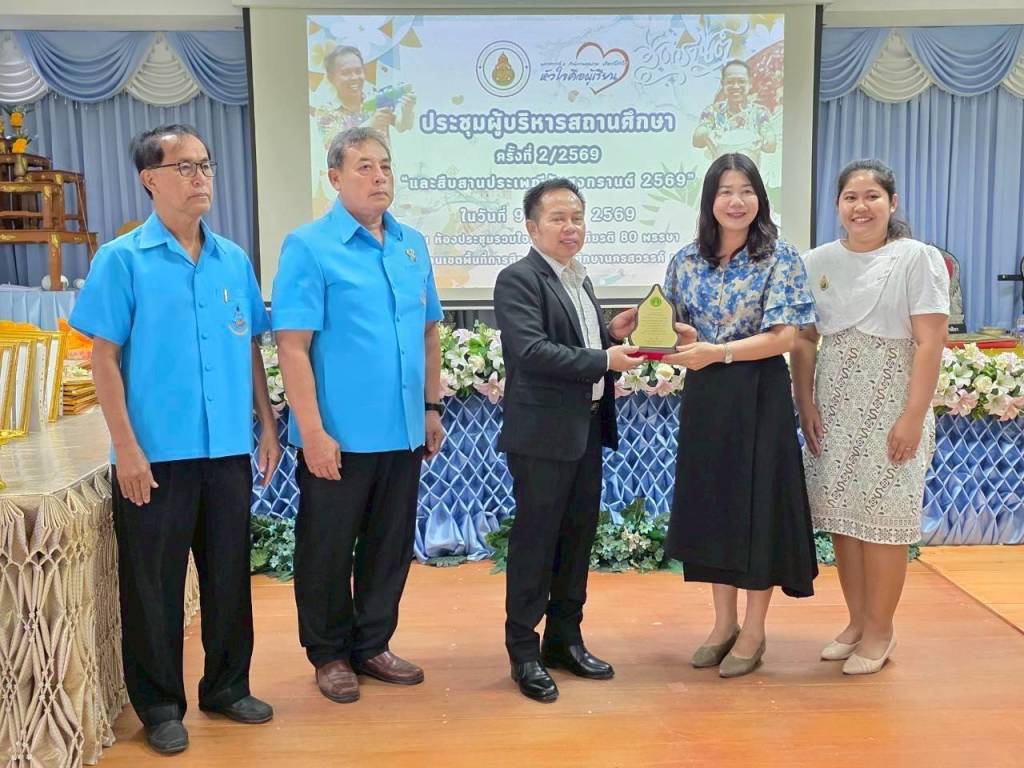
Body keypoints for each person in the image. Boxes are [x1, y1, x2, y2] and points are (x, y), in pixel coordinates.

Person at [69, 124, 280, 754]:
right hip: (155, 455)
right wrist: (127, 449)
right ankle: (160, 705)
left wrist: (267, 424)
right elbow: (103, 359)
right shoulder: (122, 259)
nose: (200, 177)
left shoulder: (232, 259)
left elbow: (248, 347)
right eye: (185, 166)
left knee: (228, 577)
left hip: (226, 450)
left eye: (205, 165)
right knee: (153, 585)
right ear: (150, 179)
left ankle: (227, 687)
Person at [273, 126, 444, 704]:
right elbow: (293, 345)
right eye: (364, 167)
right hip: (338, 436)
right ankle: (328, 654)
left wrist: (431, 407)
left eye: (385, 166)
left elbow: (428, 332)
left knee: (389, 545)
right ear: (334, 178)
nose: (379, 177)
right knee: (326, 547)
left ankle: (373, 644)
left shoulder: (411, 244)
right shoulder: (309, 246)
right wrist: (312, 432)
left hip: (403, 430)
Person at [661, 153, 818, 678]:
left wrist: (719, 352)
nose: (736, 201)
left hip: (758, 392)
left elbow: (786, 338)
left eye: (747, 190)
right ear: (710, 200)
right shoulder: (686, 260)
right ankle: (722, 623)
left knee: (757, 508)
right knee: (714, 508)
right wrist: (679, 338)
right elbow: (677, 329)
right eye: (726, 191)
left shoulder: (779, 257)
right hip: (706, 396)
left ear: (760, 198)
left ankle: (754, 630)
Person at [791, 159, 949, 675]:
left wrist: (912, 416)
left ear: (892, 203)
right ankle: (858, 621)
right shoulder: (816, 261)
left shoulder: (916, 258)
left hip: (891, 408)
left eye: (872, 196)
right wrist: (805, 403)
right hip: (834, 409)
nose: (861, 207)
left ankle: (881, 630)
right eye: (850, 198)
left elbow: (930, 342)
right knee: (845, 520)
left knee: (883, 526)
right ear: (837, 205)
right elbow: (805, 341)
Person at [493, 177, 645, 703]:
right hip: (541, 437)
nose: (570, 227)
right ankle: (523, 650)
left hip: (585, 431)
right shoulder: (518, 279)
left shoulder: (579, 278)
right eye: (558, 218)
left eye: (577, 217)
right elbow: (532, 350)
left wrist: (612, 334)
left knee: (577, 538)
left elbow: (577, 342)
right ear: (532, 227)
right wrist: (604, 357)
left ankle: (564, 639)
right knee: (535, 544)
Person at [312, 45, 416, 144]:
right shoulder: (326, 111)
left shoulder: (375, 98)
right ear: (331, 77)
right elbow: (333, 145)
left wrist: (407, 111)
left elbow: (401, 126)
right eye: (346, 73)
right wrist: (370, 125)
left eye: (358, 71)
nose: (354, 77)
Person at [692, 59, 776, 161]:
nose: (736, 86)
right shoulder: (712, 111)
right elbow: (697, 140)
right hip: (721, 170)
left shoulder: (759, 112)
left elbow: (770, 142)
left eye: (741, 81)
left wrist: (766, 139)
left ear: (750, 83)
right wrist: (703, 133)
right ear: (722, 84)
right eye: (730, 82)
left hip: (749, 170)